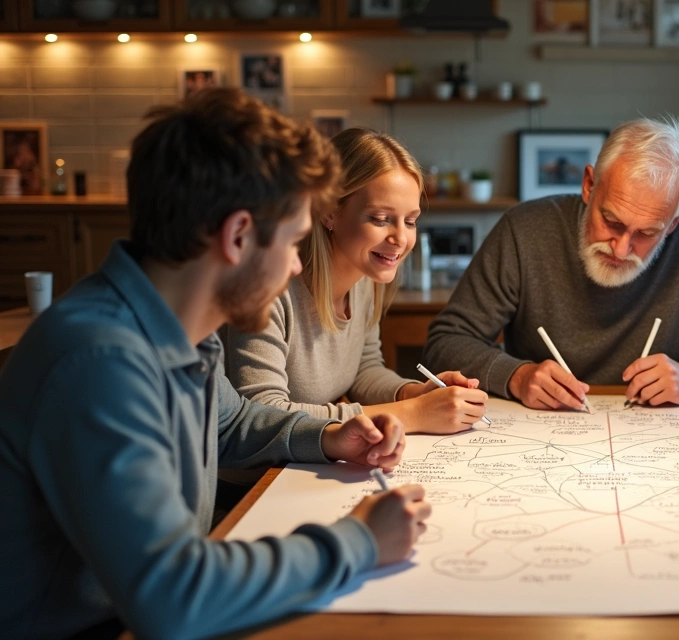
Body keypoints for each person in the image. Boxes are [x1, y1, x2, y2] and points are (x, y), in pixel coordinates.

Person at [0, 88, 432, 639]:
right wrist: (360, 542)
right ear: (238, 236)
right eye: (296, 241)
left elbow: (231, 424)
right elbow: (172, 596)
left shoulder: (177, 327)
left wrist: (333, 435)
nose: (299, 264)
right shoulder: (100, 361)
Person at [425, 116, 679, 410]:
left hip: (668, 450)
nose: (622, 246)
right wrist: (515, 376)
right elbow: (444, 344)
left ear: (676, 221)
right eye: (611, 221)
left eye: (648, 233)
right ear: (589, 185)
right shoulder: (524, 231)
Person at [223, 127, 487, 433]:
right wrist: (411, 413)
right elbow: (262, 413)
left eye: (411, 221)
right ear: (329, 212)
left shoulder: (365, 279)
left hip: (312, 464)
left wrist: (417, 394)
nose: (400, 238)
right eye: (380, 219)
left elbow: (365, 369)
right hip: (259, 479)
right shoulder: (269, 289)